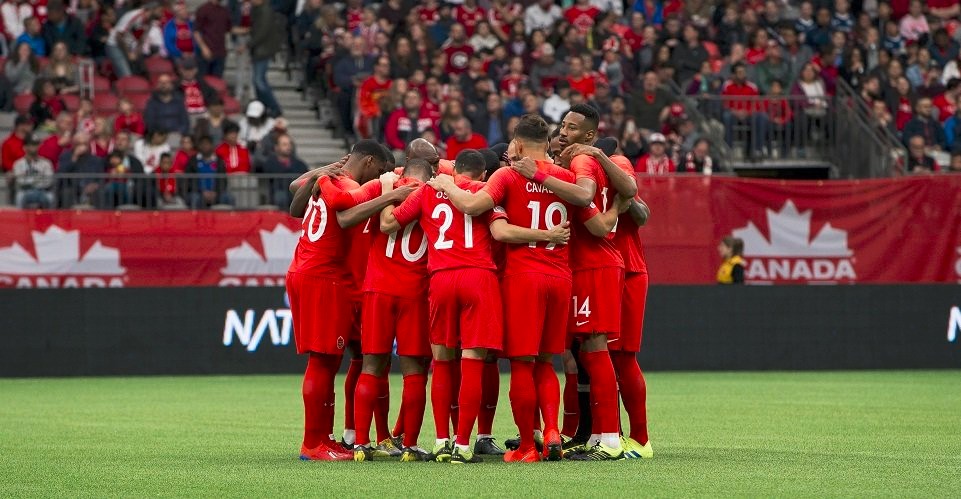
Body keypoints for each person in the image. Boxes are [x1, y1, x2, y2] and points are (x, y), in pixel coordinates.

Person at [428, 114, 624, 462]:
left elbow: (474, 206)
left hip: (522, 278)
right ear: (548, 143)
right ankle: (552, 430)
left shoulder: (508, 174)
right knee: (547, 362)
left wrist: (448, 186)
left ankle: (528, 446)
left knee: (522, 364)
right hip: (560, 277)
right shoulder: (564, 178)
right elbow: (588, 206)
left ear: (516, 145)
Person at [509, 104, 638, 460]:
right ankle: (588, 432)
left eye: (571, 127)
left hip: (593, 265)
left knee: (595, 350)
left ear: (589, 135)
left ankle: (611, 438)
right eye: (562, 125)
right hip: (575, 269)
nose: (564, 131)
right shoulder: (568, 162)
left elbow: (596, 213)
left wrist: (539, 172)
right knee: (578, 355)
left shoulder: (581, 162)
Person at [285, 140, 414, 461]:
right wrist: (390, 194)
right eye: (380, 170)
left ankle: (325, 438)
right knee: (323, 361)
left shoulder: (326, 179)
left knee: (329, 360)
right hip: (323, 277)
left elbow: (293, 197)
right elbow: (344, 215)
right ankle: (313, 443)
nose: (381, 176)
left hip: (306, 269)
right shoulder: (342, 184)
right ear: (369, 162)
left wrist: (320, 174)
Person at [380, 149, 506, 464]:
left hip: (440, 279)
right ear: (482, 173)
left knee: (442, 361)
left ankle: (440, 441)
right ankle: (464, 445)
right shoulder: (484, 190)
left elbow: (389, 223)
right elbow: (500, 231)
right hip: (478, 277)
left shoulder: (425, 193)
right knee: (474, 360)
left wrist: (387, 188)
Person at [249, 0, 283, 117]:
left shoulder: (265, 11)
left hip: (264, 49)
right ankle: (262, 106)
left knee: (259, 81)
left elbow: (261, 32)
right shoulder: (256, 10)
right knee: (257, 81)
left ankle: (274, 107)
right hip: (259, 49)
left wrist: (248, 44)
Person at [184, 135, 232, 208]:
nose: (205, 146)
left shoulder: (219, 161)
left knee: (229, 198)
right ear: (199, 146)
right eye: (202, 144)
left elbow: (223, 180)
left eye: (207, 144)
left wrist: (216, 193)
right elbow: (189, 180)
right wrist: (201, 192)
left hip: (216, 193)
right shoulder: (192, 161)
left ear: (212, 145)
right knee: (194, 198)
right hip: (198, 193)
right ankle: (195, 219)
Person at [261, 133, 307, 209]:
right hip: (277, 193)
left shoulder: (299, 163)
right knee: (281, 196)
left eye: (289, 144)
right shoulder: (269, 163)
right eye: (284, 144)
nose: (288, 147)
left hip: (295, 192)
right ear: (276, 147)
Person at [12, 135, 55, 208]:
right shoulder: (18, 164)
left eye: (36, 144)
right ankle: (21, 219)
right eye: (31, 144)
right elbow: (20, 181)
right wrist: (37, 180)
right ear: (25, 147)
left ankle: (48, 219)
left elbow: (49, 181)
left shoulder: (46, 163)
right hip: (25, 191)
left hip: (43, 191)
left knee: (50, 197)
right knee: (19, 197)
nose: (34, 147)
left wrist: (31, 181)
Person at [194, 0, 232, 78]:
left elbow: (229, 29)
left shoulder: (224, 11)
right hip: (206, 52)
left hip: (220, 52)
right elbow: (196, 32)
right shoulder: (203, 9)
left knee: (217, 81)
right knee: (204, 80)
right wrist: (204, 48)